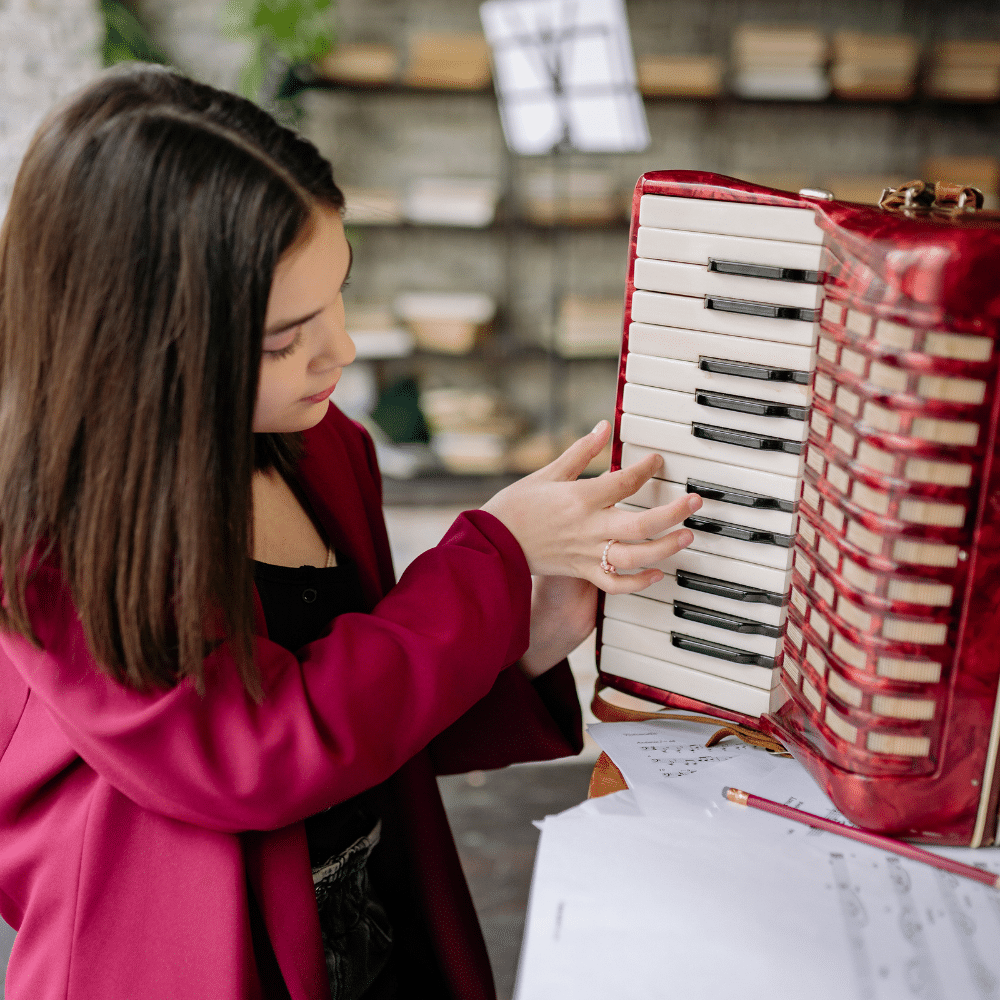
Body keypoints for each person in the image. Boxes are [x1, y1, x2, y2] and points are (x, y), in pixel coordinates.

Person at [0, 65, 701, 1000]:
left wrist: (527, 640)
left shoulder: (326, 448)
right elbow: (255, 756)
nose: (343, 349)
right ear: (145, 346)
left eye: (339, 293)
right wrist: (492, 553)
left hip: (370, 933)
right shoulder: (59, 538)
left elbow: (360, 717)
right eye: (284, 337)